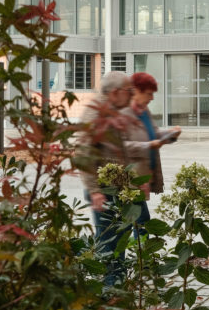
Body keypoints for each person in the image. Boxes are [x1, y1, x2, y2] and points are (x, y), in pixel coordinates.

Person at [76, 71, 167, 285]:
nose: (132, 94)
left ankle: (128, 284)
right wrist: (95, 190)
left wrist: (139, 179)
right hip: (104, 192)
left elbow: (124, 151)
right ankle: (111, 293)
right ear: (115, 92)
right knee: (110, 244)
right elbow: (82, 154)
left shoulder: (118, 111)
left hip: (123, 188)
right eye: (129, 91)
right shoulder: (95, 114)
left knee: (131, 232)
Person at [122, 71, 181, 210]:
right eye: (149, 94)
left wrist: (171, 134)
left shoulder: (144, 111)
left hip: (143, 176)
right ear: (136, 91)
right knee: (139, 221)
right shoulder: (123, 113)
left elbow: (154, 134)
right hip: (130, 180)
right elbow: (120, 145)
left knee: (138, 222)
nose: (152, 98)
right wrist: (147, 146)